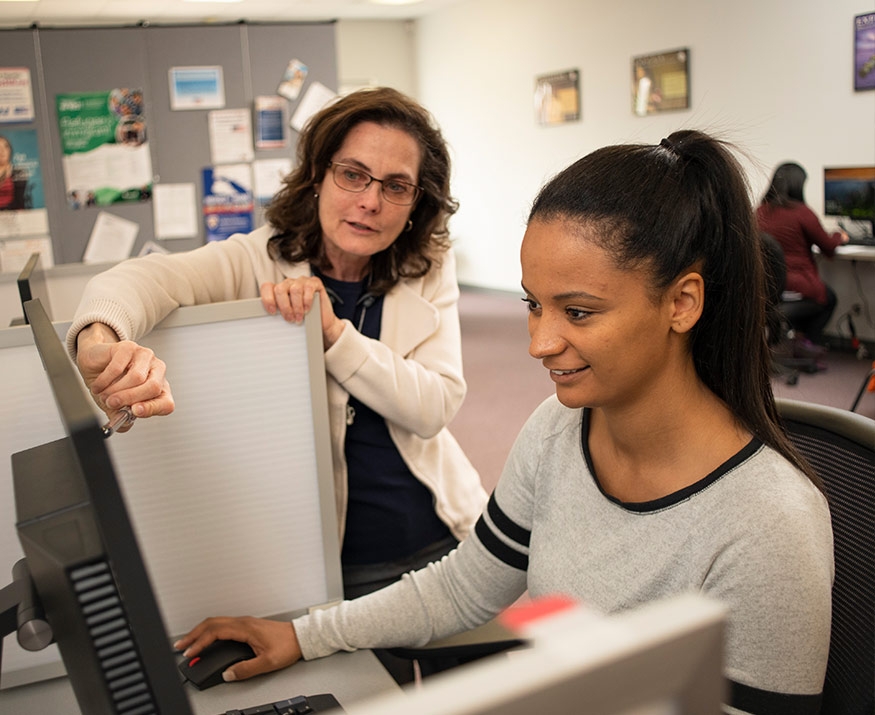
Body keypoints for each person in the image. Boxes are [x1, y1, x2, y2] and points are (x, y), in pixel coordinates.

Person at [174, 130, 834, 715]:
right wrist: (304, 633)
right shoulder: (557, 429)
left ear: (681, 302)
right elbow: (464, 586)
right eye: (532, 305)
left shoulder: (767, 520)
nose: (538, 343)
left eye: (576, 312)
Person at [65, 87, 487, 683]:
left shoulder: (426, 270)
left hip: (449, 536)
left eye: (396, 185)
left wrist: (334, 334)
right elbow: (143, 279)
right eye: (353, 174)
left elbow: (434, 407)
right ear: (318, 177)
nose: (370, 201)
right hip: (342, 563)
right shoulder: (257, 261)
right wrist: (101, 343)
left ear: (416, 202)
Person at [756, 161, 849, 348]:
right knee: (828, 298)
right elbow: (828, 246)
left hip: (766, 286)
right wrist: (841, 236)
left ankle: (796, 341)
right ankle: (809, 345)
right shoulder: (801, 213)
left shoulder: (759, 211)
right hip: (798, 285)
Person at [0, 134, 30, 211]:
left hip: (13, 215)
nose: (2, 151)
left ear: (10, 150)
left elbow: (20, 200)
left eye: (5, 147)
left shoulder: (19, 173)